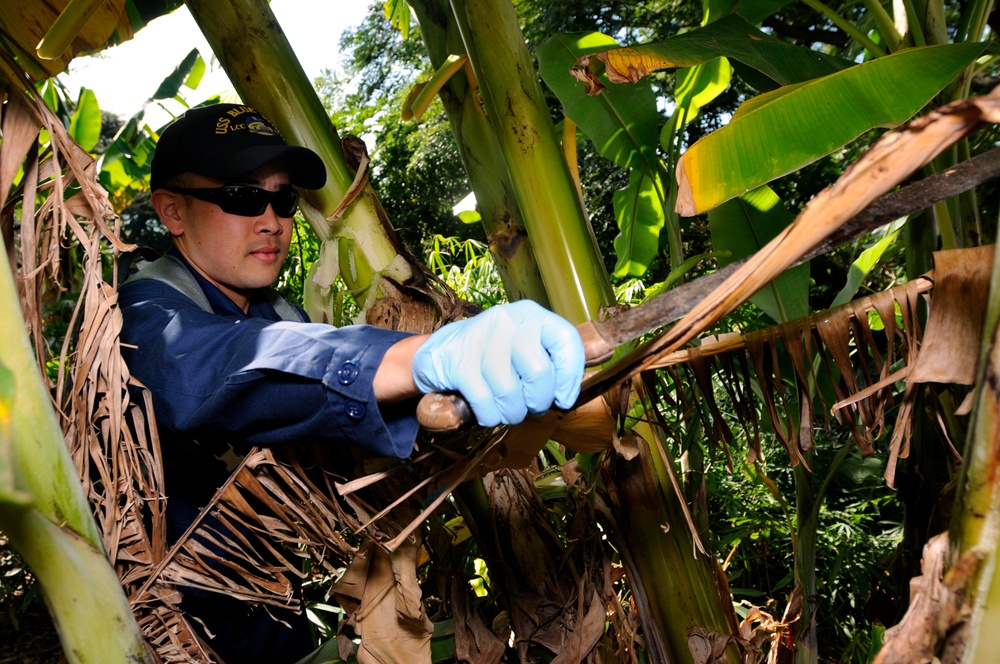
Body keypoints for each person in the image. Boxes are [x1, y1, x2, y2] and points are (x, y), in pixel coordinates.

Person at [117, 103, 584, 663]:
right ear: (172, 210)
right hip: (176, 629)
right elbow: (210, 366)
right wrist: (416, 358)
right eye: (243, 197)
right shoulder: (140, 315)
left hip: (278, 610)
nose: (272, 221)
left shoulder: (276, 312)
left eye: (284, 200)